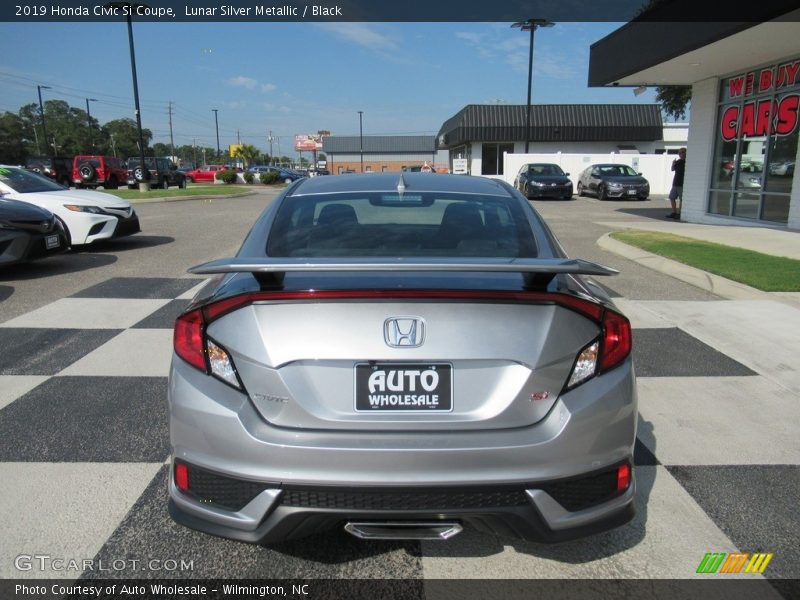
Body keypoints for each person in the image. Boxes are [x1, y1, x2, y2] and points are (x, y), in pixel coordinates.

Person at [668, 148, 686, 219]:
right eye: (679, 153)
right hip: (675, 183)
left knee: (682, 199)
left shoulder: (687, 162)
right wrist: (673, 163)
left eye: (681, 152)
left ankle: (679, 213)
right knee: (672, 197)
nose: (680, 154)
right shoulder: (678, 162)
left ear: (685, 153)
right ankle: (674, 212)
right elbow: (672, 169)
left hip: (682, 184)